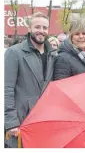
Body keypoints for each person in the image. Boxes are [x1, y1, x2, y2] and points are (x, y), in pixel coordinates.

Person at [4, 12, 57, 148]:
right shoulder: (14, 52)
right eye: (37, 27)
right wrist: (11, 122)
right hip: (21, 121)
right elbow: (6, 89)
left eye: (45, 28)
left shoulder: (52, 54)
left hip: (43, 120)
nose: (41, 31)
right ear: (29, 29)